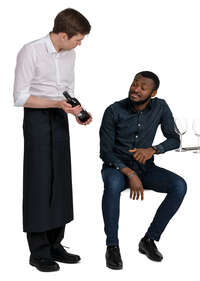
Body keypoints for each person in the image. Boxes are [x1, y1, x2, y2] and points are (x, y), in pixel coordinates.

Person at [13, 8, 92, 272]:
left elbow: (66, 90)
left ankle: (56, 244)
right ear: (62, 34)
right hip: (36, 118)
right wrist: (57, 104)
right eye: (77, 39)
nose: (79, 44)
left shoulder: (70, 54)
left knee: (61, 181)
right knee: (39, 182)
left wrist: (77, 109)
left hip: (59, 116)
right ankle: (38, 251)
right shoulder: (30, 51)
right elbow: (21, 97)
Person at [99, 71, 187, 269]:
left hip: (146, 168)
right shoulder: (113, 110)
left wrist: (153, 150)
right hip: (116, 168)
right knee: (112, 185)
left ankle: (149, 240)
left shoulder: (161, 106)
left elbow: (174, 139)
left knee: (179, 186)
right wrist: (129, 173)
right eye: (134, 84)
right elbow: (105, 152)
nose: (136, 89)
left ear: (153, 93)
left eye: (142, 87)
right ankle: (112, 246)